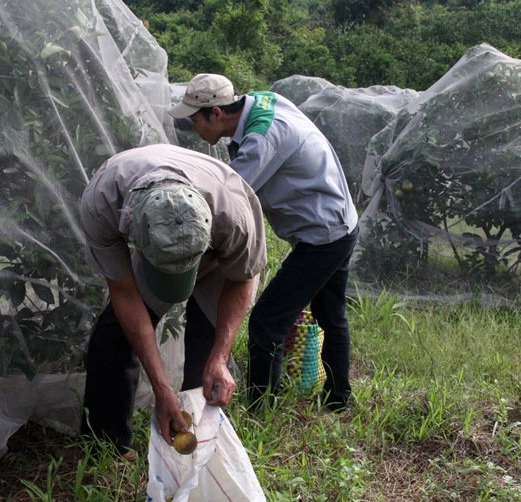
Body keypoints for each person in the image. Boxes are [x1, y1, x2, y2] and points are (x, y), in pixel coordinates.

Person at [169, 73, 359, 411]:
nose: (193, 128)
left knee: (267, 321)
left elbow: (227, 198)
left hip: (323, 235)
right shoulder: (259, 103)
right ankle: (339, 400)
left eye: (195, 120)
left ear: (216, 113)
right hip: (338, 221)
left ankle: (262, 409)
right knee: (330, 313)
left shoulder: (262, 139)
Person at [79, 143, 266, 455]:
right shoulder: (103, 202)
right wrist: (161, 387)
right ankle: (107, 447)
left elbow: (240, 278)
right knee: (111, 337)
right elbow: (125, 292)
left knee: (206, 359)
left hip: (218, 253)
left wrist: (220, 357)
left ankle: (199, 452)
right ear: (134, 233)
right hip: (157, 242)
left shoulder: (234, 214)